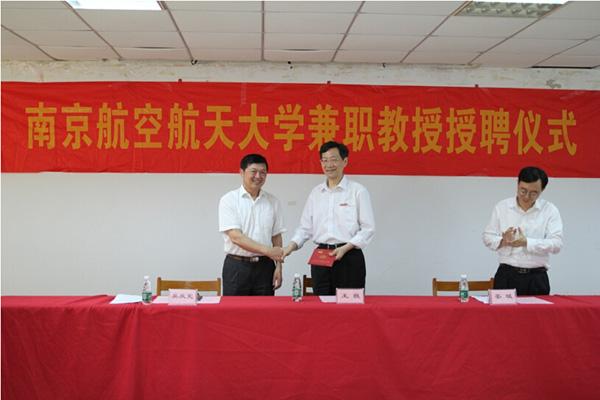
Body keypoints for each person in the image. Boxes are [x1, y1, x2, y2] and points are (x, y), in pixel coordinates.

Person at [283, 141, 375, 295]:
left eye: (333, 159)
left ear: (345, 161)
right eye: (324, 160)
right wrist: (290, 247)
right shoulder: (316, 193)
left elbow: (368, 228)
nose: (328, 165)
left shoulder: (358, 191)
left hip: (349, 257)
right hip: (321, 258)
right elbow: (305, 228)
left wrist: (345, 248)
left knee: (349, 306)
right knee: (321, 305)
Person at [482, 166, 563, 295]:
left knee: (539, 309)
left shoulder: (549, 210)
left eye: (533, 193)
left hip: (537, 278)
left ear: (542, 190)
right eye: (523, 190)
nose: (526, 196)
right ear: (518, 184)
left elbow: (556, 244)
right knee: (502, 310)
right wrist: (503, 241)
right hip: (506, 275)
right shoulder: (502, 207)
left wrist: (527, 242)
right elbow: (487, 237)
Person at [219, 154, 285, 295]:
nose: (258, 176)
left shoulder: (273, 202)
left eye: (263, 172)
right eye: (253, 171)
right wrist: (268, 251)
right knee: (234, 309)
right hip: (237, 266)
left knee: (264, 308)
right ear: (242, 173)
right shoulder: (229, 200)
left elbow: (276, 237)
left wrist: (279, 266)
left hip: (265, 267)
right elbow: (236, 237)